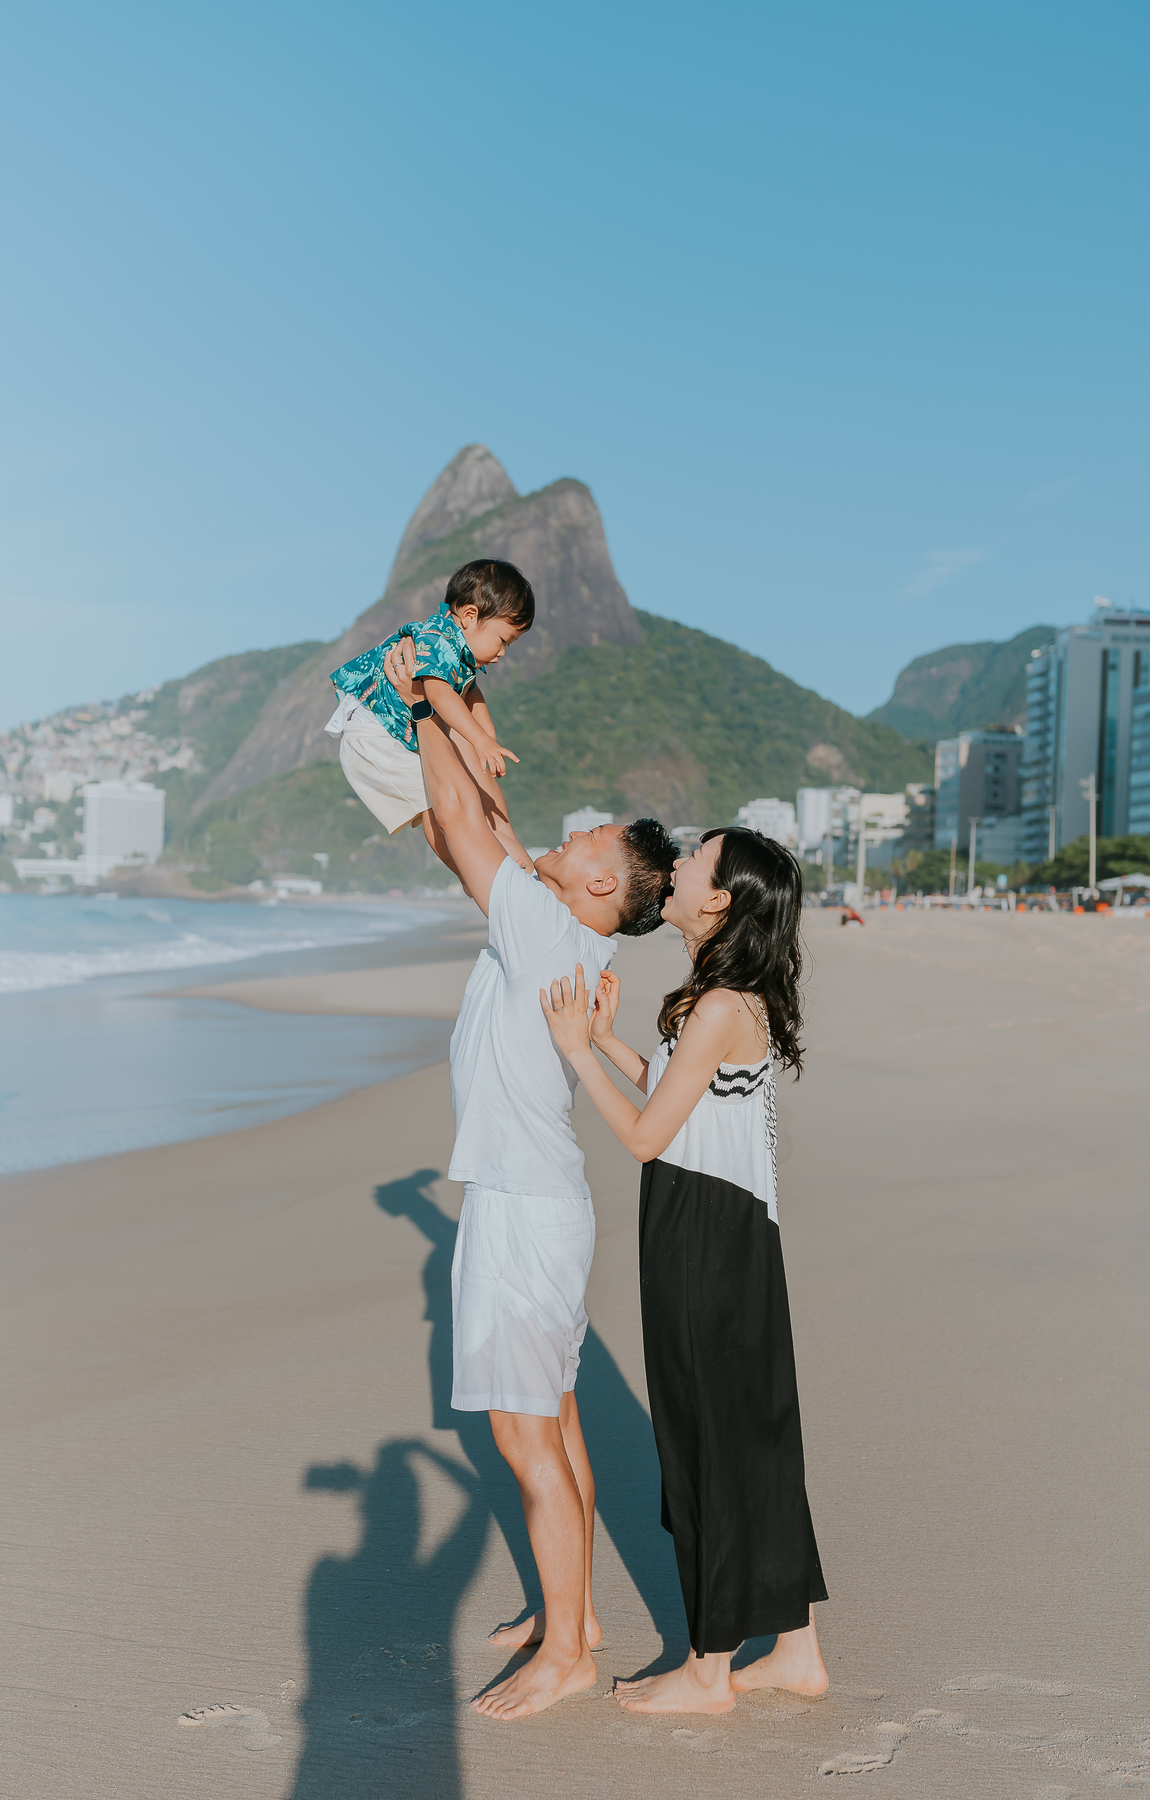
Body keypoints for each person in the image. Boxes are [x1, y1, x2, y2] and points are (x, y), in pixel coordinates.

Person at [380, 636, 676, 1721]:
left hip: (519, 1208)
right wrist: (462, 723)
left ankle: (568, 1657)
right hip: (543, 1203)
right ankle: (579, 1617)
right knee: (555, 1418)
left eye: (583, 837)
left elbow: (463, 830)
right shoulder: (571, 935)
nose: (562, 832)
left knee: (522, 1436)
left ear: (600, 881)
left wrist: (413, 701)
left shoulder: (547, 926)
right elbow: (495, 825)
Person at [539, 827, 829, 1714]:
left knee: (706, 1441)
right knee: (753, 1439)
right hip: (729, 1231)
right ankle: (796, 1654)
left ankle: (709, 1670)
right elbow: (681, 1097)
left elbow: (643, 1138)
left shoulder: (715, 1008)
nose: (679, 866)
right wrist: (612, 1040)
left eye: (698, 859)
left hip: (703, 1236)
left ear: (721, 902)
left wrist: (576, 1051)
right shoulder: (725, 999)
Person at [324, 559, 534, 875]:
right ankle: (465, 869)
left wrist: (487, 737)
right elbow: (438, 693)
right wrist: (479, 741)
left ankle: (488, 866)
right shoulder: (437, 640)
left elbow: (471, 692)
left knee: (453, 802)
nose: (503, 652)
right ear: (470, 616)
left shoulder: (459, 647)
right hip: (376, 737)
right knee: (435, 808)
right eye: (503, 640)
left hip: (396, 734)